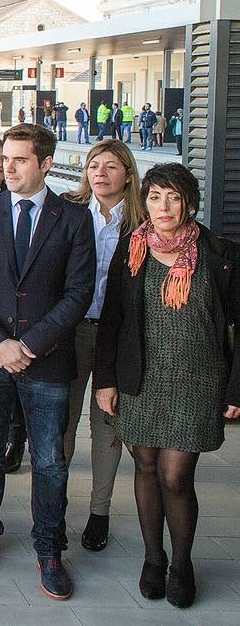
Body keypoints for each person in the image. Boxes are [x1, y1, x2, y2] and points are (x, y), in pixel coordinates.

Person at [0, 124, 95, 601]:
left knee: (50, 461)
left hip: (47, 360)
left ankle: (50, 549)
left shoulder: (73, 219)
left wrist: (29, 343)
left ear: (46, 164)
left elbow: (78, 293)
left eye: (19, 160)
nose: (7, 167)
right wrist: (0, 342)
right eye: (4, 158)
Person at [95, 163, 240, 609]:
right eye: (155, 196)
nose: (163, 206)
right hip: (141, 379)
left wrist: (236, 390)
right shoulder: (131, 251)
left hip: (198, 379)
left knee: (175, 476)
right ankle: (152, 560)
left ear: (189, 203)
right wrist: (106, 380)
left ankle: (181, 563)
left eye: (173, 197)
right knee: (144, 466)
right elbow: (112, 321)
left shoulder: (220, 254)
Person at [59, 139, 141, 552]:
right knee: (62, 423)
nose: (100, 172)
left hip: (117, 336)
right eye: (94, 165)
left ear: (128, 173)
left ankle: (99, 511)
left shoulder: (143, 223)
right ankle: (54, 505)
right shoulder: (69, 212)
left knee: (106, 425)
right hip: (70, 331)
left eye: (111, 166)